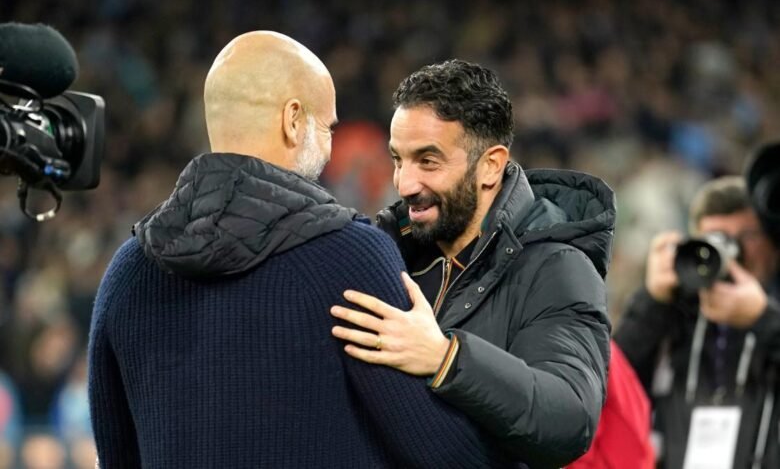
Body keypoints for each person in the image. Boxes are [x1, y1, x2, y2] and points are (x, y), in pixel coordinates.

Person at [88, 32, 518, 469]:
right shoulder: (352, 257)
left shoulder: (126, 271)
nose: (331, 147)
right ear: (293, 120)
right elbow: (438, 450)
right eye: (328, 127)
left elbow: (115, 453)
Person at [330, 59, 613, 468]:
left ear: (490, 165)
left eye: (428, 161)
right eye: (397, 159)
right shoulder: (386, 255)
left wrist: (447, 358)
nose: (404, 184)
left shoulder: (557, 268)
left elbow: (569, 418)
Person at [614, 175, 780, 468]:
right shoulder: (674, 315)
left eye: (748, 235)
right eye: (717, 238)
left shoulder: (772, 314)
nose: (734, 251)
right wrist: (652, 299)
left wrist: (762, 319)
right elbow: (612, 382)